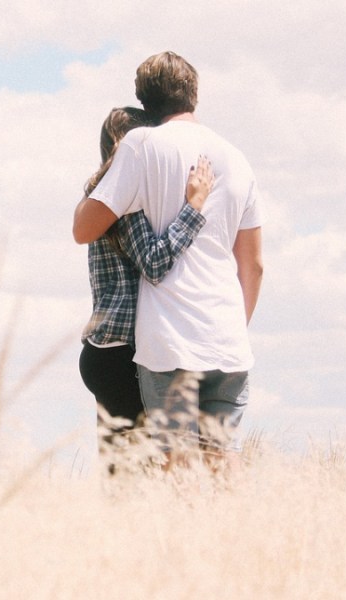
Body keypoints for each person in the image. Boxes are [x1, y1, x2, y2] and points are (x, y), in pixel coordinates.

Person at [73, 52, 264, 467]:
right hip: (227, 337)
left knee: (166, 470)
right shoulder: (237, 157)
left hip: (169, 341)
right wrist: (233, 325)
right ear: (194, 92)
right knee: (223, 461)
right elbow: (254, 266)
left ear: (144, 100)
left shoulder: (141, 147)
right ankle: (237, 532)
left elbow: (85, 230)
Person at [78, 106, 214, 456]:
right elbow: (154, 263)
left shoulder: (100, 196)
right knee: (141, 476)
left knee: (121, 475)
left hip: (103, 350)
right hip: (123, 354)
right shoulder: (126, 200)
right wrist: (193, 209)